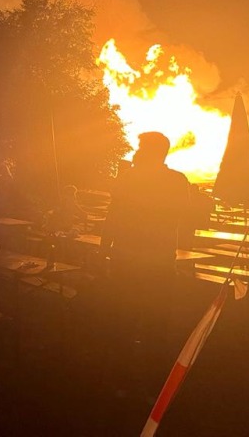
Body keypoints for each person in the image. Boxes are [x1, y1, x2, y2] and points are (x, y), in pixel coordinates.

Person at [101, 132, 190, 395]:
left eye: (141, 147)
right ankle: (141, 378)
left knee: (140, 319)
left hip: (142, 260)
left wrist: (105, 249)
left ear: (155, 152)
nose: (136, 151)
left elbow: (114, 215)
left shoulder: (139, 179)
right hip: (144, 260)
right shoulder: (172, 180)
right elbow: (113, 215)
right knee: (141, 319)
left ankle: (138, 378)